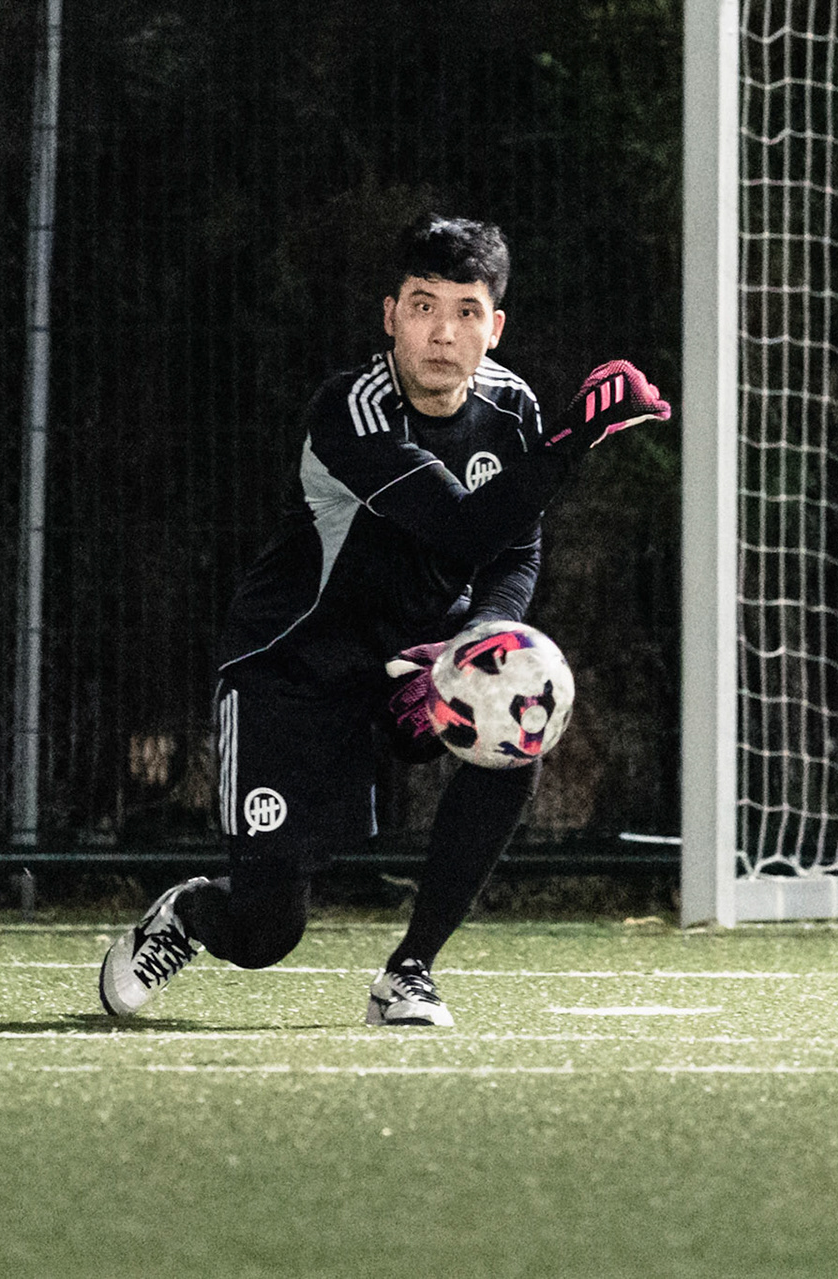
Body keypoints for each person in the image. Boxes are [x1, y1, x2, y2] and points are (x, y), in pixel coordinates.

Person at [98, 214, 670, 1026]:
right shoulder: (350, 412)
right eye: (423, 306)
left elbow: (512, 550)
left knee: (519, 717)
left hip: (417, 661)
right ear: (390, 315)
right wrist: (577, 436)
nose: (443, 332)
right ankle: (189, 914)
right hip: (298, 668)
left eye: (466, 311)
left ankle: (410, 970)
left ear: (494, 327)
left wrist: (479, 639)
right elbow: (462, 527)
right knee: (267, 931)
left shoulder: (512, 410)